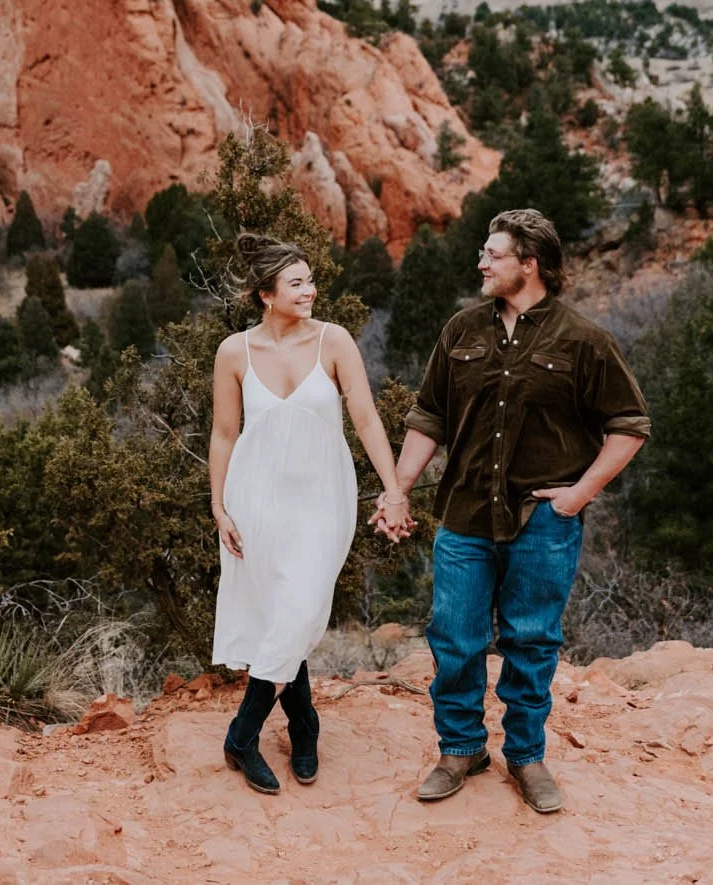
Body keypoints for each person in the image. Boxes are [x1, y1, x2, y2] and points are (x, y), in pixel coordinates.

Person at [372, 208, 649, 814]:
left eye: (493, 255)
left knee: (531, 643)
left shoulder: (583, 340)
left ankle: (526, 758)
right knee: (456, 640)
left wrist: (579, 495)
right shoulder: (461, 330)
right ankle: (461, 749)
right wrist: (398, 490)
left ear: (530, 264)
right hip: (464, 516)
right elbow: (429, 418)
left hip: (543, 521)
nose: (481, 263)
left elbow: (629, 426)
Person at [209, 233, 409, 794]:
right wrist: (219, 506)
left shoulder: (335, 341)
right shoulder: (235, 351)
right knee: (280, 614)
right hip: (257, 498)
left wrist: (393, 490)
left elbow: (367, 420)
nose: (311, 291)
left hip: (324, 498)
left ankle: (242, 734)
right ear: (265, 295)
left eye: (311, 280)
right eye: (297, 283)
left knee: (300, 604)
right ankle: (303, 724)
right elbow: (224, 434)